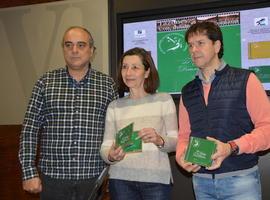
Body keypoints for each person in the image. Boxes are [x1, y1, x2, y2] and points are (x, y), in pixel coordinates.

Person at [18, 26, 118, 200]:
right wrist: (28, 172)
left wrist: (114, 173)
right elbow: (29, 130)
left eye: (81, 45)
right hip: (52, 180)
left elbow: (116, 131)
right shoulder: (45, 83)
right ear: (63, 49)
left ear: (92, 50)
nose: (74, 50)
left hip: (93, 178)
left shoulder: (107, 85)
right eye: (68, 45)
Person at [176, 21, 270, 200]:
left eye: (200, 43)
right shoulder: (187, 91)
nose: (194, 50)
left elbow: (267, 129)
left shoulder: (246, 80)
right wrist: (181, 156)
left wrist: (231, 147)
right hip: (201, 183)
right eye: (190, 45)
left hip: (241, 181)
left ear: (217, 45)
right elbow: (184, 136)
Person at [100, 47, 178, 200]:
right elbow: (105, 146)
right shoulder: (114, 106)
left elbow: (175, 142)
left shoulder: (164, 100)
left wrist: (159, 140)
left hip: (156, 180)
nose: (128, 73)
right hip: (121, 180)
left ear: (147, 72)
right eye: (124, 67)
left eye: (135, 67)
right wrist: (111, 155)